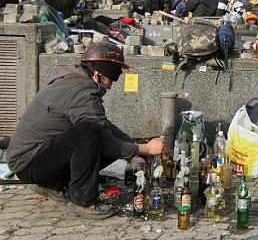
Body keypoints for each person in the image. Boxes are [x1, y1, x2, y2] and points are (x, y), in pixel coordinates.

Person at [6, 41, 165, 218]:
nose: (111, 85)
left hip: (35, 159)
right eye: (111, 78)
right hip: (29, 164)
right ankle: (82, 201)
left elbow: (105, 125)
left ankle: (52, 184)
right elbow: (102, 138)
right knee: (90, 133)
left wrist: (133, 145)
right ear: (97, 74)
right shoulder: (82, 91)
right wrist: (145, 149)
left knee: (95, 132)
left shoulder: (75, 80)